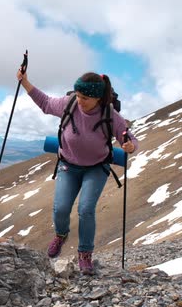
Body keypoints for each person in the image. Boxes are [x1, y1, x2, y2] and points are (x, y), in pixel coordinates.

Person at [16, 69, 138, 275]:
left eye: (85, 98)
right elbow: (45, 103)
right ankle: (61, 235)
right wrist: (25, 82)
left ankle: (85, 254)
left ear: (98, 98)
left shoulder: (110, 115)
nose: (79, 100)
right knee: (61, 208)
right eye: (78, 95)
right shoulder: (69, 103)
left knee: (86, 209)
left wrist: (130, 147)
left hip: (96, 168)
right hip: (68, 165)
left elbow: (131, 139)